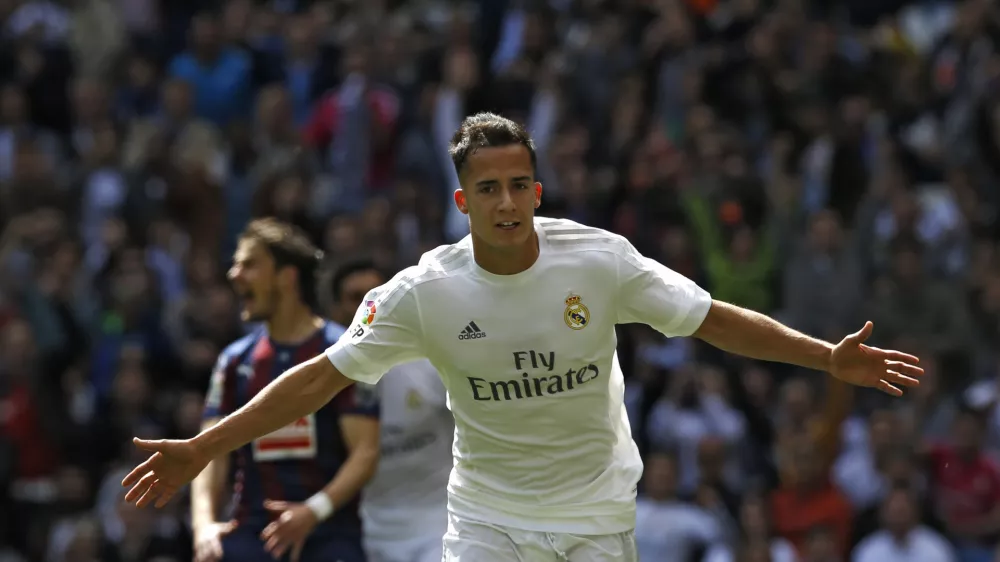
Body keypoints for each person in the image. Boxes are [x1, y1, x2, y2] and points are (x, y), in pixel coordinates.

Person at [122, 113, 923, 562]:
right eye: (487, 190)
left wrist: (825, 356)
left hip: (598, 509)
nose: (506, 202)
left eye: (517, 186)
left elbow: (713, 319)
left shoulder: (601, 261)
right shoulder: (423, 291)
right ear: (463, 202)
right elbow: (319, 378)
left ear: (535, 189)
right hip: (487, 518)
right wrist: (205, 445)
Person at [191, 219, 379, 562]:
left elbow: (365, 451)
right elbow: (210, 452)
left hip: (328, 533)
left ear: (287, 277)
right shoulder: (234, 361)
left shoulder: (343, 350)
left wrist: (312, 511)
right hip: (251, 534)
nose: (234, 275)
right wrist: (203, 524)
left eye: (249, 264)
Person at [327, 259, 452, 562]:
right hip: (367, 530)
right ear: (336, 310)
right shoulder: (324, 382)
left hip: (440, 522)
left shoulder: (433, 360)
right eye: (354, 298)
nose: (364, 307)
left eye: (375, 295)